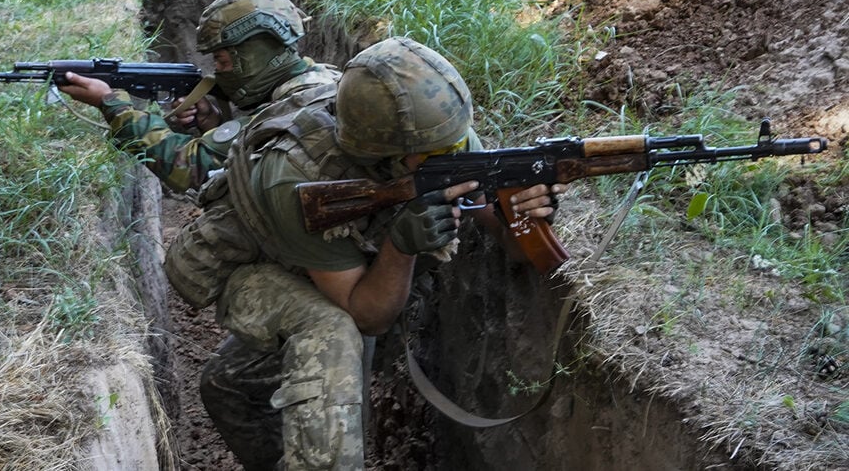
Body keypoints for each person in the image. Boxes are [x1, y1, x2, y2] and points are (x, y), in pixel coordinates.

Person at [166, 36, 567, 469]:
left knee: (228, 384)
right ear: (385, 154)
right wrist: (401, 245)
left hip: (342, 263)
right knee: (332, 335)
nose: (455, 153)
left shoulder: (435, 133)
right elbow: (368, 315)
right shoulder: (300, 176)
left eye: (454, 144)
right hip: (258, 264)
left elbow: (505, 235)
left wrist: (525, 207)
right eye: (435, 154)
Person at [56, 0, 341, 196]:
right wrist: (216, 124)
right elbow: (253, 148)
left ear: (256, 55)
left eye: (223, 60)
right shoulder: (321, 79)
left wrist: (111, 104)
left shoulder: (294, 108)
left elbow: (190, 167)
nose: (218, 72)